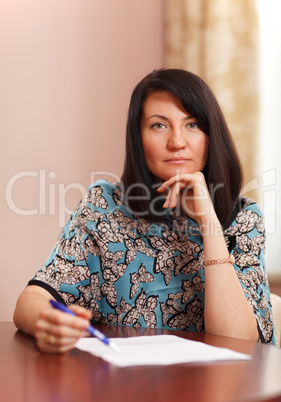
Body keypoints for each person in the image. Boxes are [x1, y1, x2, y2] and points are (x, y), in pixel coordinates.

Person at [13, 68, 276, 353]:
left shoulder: (243, 218)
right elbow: (34, 298)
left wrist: (207, 221)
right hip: (124, 386)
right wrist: (46, 322)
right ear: (138, 138)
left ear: (211, 136)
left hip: (213, 390)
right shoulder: (105, 207)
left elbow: (237, 341)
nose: (177, 142)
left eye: (192, 125)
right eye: (159, 125)